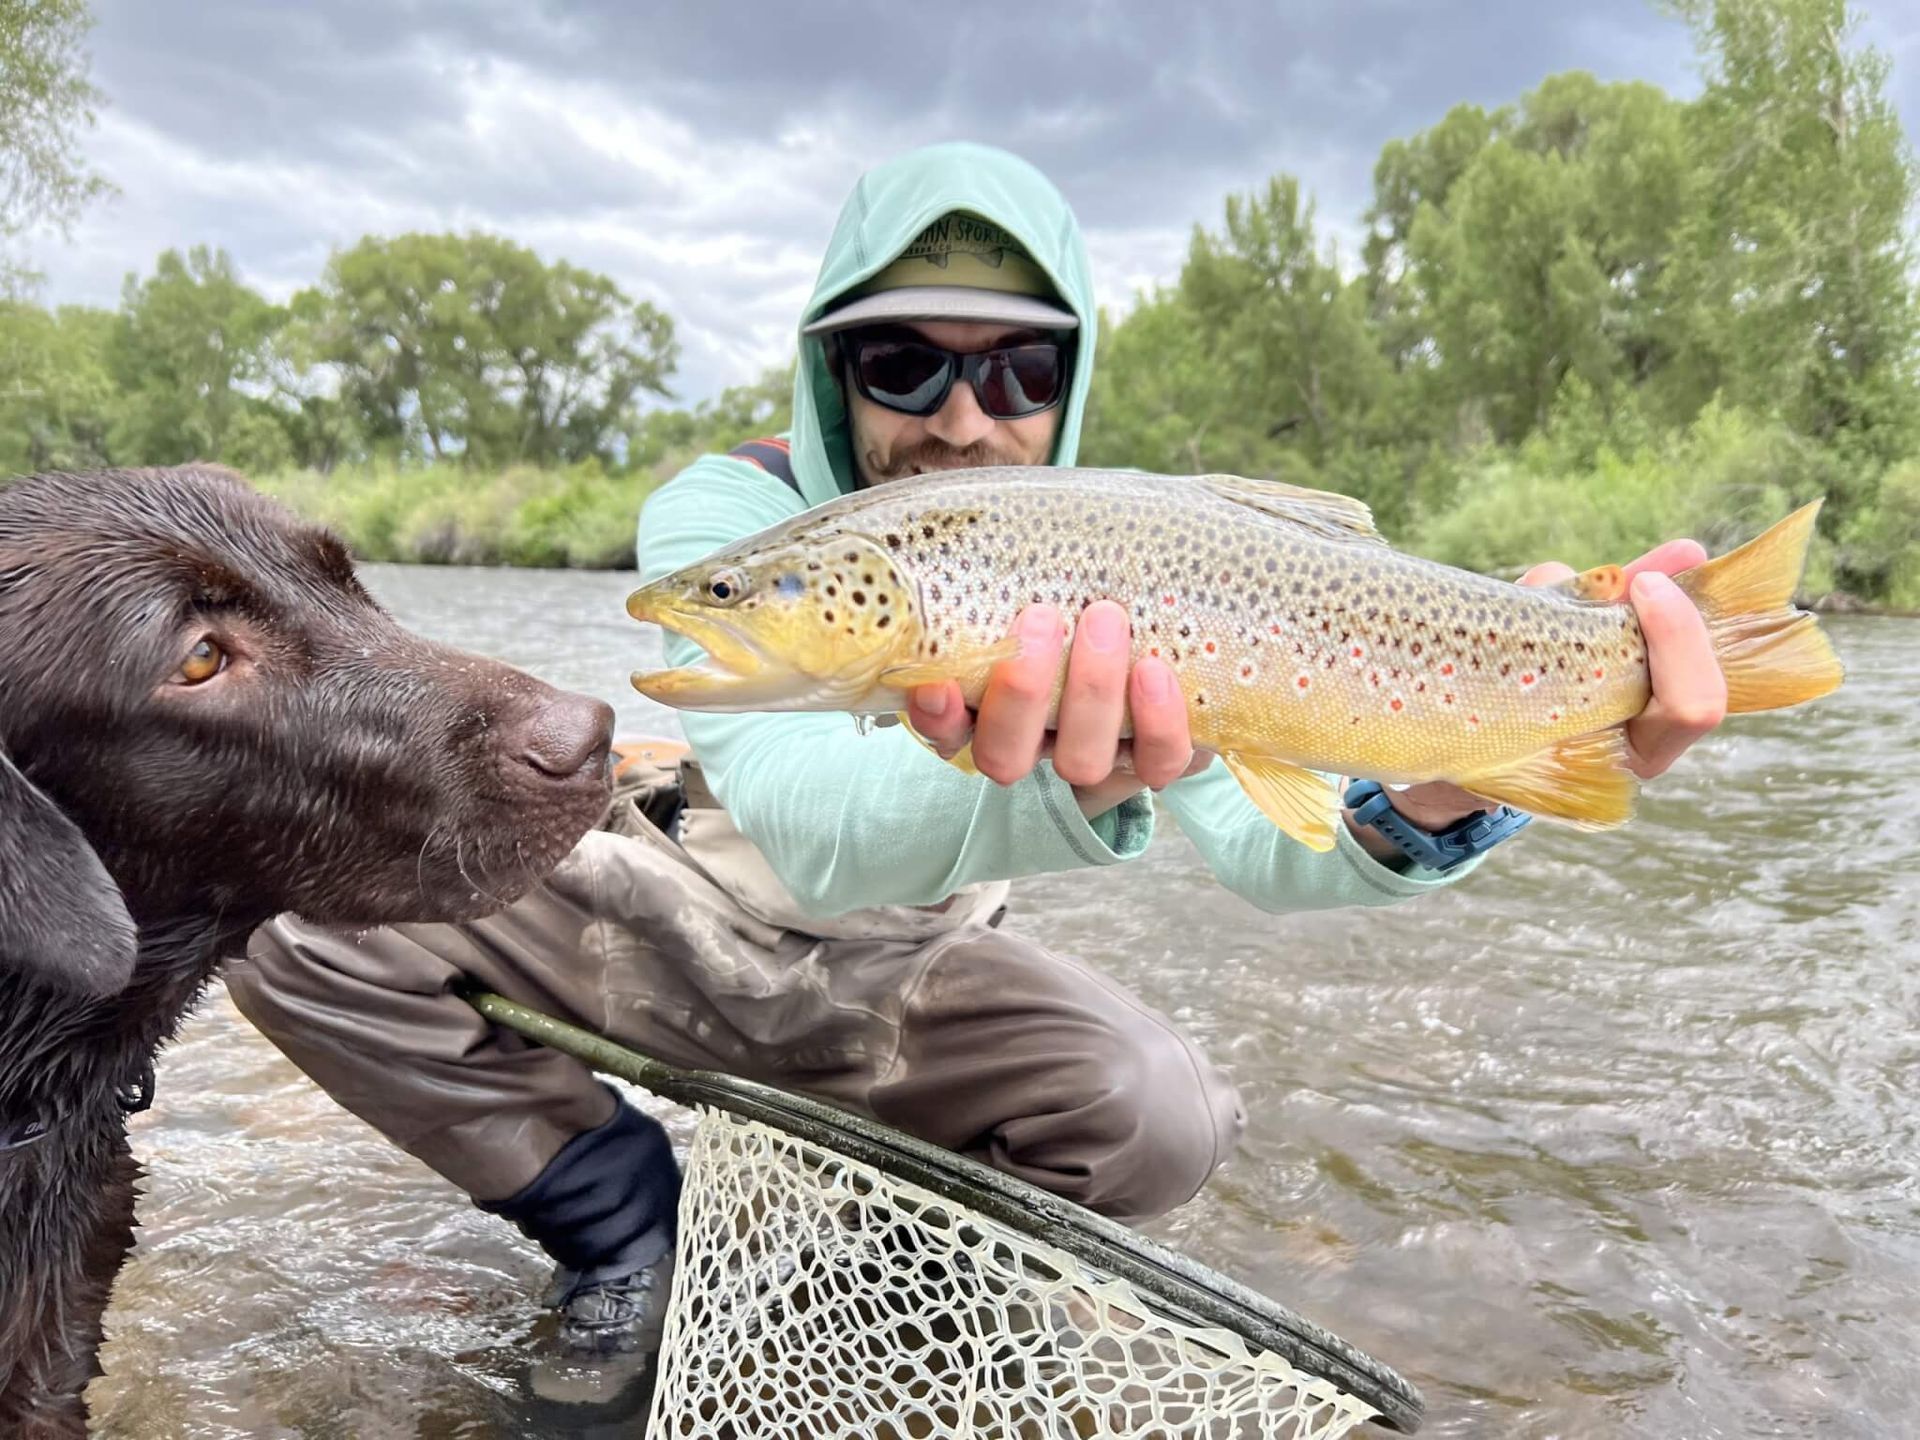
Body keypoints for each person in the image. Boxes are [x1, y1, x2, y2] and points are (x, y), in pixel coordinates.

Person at [227, 141, 1728, 1404]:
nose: (964, 417)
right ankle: (627, 1229)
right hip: (667, 926)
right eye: (907, 363)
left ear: (1069, 380)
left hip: (907, 985)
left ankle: (870, 1277)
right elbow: (812, 832)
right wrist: (1063, 783)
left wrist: (1471, 776)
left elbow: (1283, 851)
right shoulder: (732, 518)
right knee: (285, 900)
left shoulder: (1130, 550)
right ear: (835, 369)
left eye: (1020, 370)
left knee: (1160, 1113)